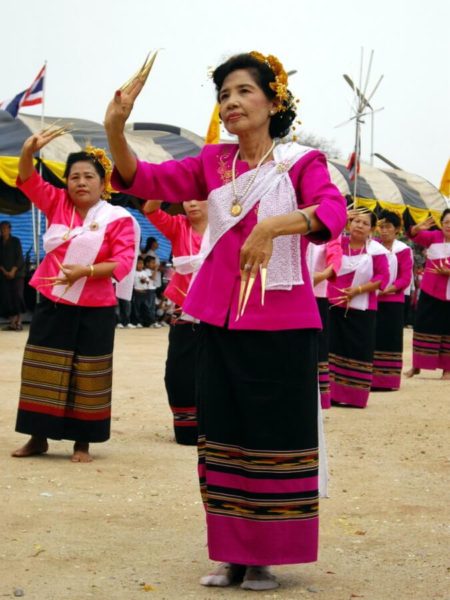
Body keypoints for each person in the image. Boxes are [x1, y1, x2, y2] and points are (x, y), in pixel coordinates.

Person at [105, 51, 346, 590]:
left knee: (273, 439)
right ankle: (231, 552)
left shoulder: (302, 163)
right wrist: (115, 128)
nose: (231, 102)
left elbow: (329, 213)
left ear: (273, 99)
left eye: (242, 91)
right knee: (222, 438)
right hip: (218, 318)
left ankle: (265, 555)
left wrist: (273, 226)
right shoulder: (213, 162)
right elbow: (142, 177)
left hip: (283, 325)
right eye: (223, 95)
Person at [11, 130, 138, 463]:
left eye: (88, 176)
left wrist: (86, 271)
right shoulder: (57, 203)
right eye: (74, 176)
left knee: (89, 373)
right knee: (43, 367)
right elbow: (27, 179)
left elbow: (123, 261)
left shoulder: (118, 219)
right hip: (53, 302)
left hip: (96, 308)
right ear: (66, 182)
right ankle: (37, 437)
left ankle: (83, 443)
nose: (81, 182)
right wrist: (28, 151)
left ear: (103, 182)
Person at [142, 198, 208, 445]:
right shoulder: (179, 226)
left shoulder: (225, 226)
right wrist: (165, 185)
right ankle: (187, 426)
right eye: (187, 198)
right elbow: (150, 210)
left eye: (198, 198)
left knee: (216, 370)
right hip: (185, 309)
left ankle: (217, 424)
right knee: (178, 371)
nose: (191, 203)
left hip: (217, 311)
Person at [328, 210, 389, 408]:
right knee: (332, 348)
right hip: (334, 305)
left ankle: (355, 397)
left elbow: (383, 278)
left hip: (363, 309)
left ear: (371, 229)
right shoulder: (338, 243)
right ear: (348, 224)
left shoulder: (376, 250)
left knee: (357, 351)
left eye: (364, 223)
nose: (359, 225)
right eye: (355, 221)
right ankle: (331, 394)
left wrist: (358, 290)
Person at [405, 209, 450, 380]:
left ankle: (447, 369)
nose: (449, 226)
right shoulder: (433, 237)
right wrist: (417, 228)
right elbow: (413, 236)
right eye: (446, 222)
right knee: (423, 327)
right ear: (441, 223)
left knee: (447, 330)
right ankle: (417, 365)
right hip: (430, 291)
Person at [371, 210, 413, 390]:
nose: (384, 231)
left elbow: (405, 278)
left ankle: (388, 381)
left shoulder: (403, 250)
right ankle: (371, 378)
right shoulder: (373, 247)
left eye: (388, 227)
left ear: (397, 230)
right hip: (373, 299)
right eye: (381, 226)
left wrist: (388, 289)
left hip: (393, 301)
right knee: (373, 338)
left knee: (390, 339)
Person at [306, 236, 342, 409]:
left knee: (317, 346)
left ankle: (319, 399)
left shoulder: (328, 232)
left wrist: (323, 275)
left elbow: (335, 255)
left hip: (317, 295)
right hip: (294, 293)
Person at [0, 220, 25, 331]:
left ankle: (18, 321)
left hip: (17, 273)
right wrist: (5, 271)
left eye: (5, 228)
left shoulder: (15, 241)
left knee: (17, 296)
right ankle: (12, 322)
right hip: (3, 274)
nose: (3, 231)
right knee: (7, 297)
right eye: (1, 229)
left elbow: (20, 258)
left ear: (10, 230)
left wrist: (13, 271)